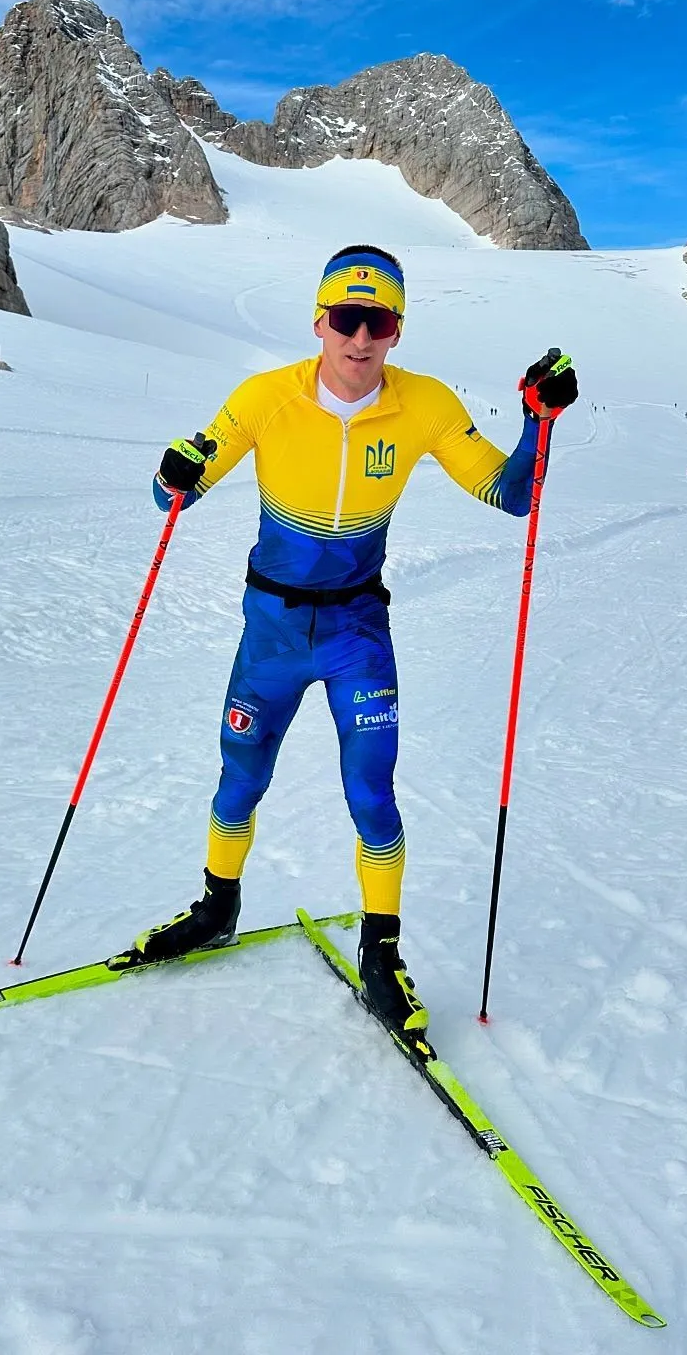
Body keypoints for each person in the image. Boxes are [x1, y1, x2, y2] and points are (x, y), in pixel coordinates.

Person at [127, 244, 578, 1035]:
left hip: (355, 629)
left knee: (372, 789)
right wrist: (172, 470)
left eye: (378, 322)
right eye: (346, 319)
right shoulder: (266, 398)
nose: (360, 338)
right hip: (271, 630)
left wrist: (538, 423)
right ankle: (216, 908)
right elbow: (177, 490)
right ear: (319, 322)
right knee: (241, 776)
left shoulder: (427, 405)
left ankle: (381, 950)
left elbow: (510, 497)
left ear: (397, 330)